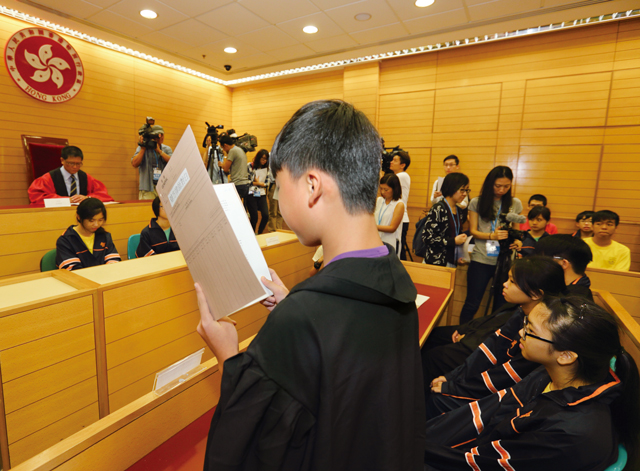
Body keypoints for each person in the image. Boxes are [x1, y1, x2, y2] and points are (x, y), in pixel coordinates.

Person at [196, 100, 425, 470]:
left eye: (280, 184)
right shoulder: (396, 281)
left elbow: (256, 445)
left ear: (312, 185)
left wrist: (227, 355)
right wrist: (296, 305)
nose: (278, 197)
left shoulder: (301, 319)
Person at [424, 296, 640, 471]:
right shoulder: (550, 374)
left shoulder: (570, 434)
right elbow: (498, 408)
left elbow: (485, 463)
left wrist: (419, 448)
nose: (521, 332)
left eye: (530, 331)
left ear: (566, 355)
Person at [423, 256, 565, 410]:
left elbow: (506, 377)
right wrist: (452, 377)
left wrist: (452, 387)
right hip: (494, 381)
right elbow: (488, 351)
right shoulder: (521, 312)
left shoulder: (543, 331)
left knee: (437, 398)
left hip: (506, 397)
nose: (505, 284)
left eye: (512, 281)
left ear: (536, 294)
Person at [459, 166, 523, 324]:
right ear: (490, 184)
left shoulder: (514, 203)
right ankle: (461, 333)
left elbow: (517, 232)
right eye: (498, 186)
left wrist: (517, 242)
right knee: (472, 303)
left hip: (505, 261)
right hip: (481, 259)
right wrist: (491, 236)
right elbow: (473, 231)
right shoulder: (477, 202)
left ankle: (492, 336)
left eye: (506, 186)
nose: (502, 190)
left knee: (501, 306)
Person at [28, 145, 114, 205]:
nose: (75, 167)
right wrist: (67, 200)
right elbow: (37, 198)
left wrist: (87, 198)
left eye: (78, 164)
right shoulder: (47, 179)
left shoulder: (87, 178)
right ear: (62, 160)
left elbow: (103, 195)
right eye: (71, 163)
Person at [55, 198, 120, 270]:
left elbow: (113, 259)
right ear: (79, 217)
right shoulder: (66, 240)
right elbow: (73, 269)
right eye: (91, 220)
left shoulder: (104, 235)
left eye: (100, 220)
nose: (96, 224)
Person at [421, 172, 469, 267]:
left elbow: (456, 235)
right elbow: (427, 237)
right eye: (462, 190)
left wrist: (459, 255)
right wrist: (453, 241)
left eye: (467, 190)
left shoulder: (459, 210)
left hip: (452, 261)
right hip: (436, 262)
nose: (465, 194)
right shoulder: (438, 208)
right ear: (451, 188)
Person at [131, 125, 173, 200]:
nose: (161, 137)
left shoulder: (166, 149)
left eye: (162, 134)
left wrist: (159, 151)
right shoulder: (143, 148)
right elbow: (134, 163)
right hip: (147, 189)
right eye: (159, 135)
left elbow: (173, 162)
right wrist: (143, 149)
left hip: (163, 189)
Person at [375, 173, 404, 257]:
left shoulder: (399, 204)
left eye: (386, 189)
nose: (383, 192)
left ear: (395, 189)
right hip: (377, 241)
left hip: (390, 242)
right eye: (381, 188)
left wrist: (373, 227)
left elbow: (392, 228)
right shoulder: (379, 200)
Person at [389, 151, 411, 260]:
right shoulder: (397, 176)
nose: (391, 162)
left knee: (398, 249)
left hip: (401, 218)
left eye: (395, 160)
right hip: (396, 216)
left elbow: (383, 183)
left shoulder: (402, 175)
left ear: (402, 165)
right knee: (396, 248)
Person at [219, 134, 251, 202]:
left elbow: (225, 169)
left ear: (225, 145)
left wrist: (221, 165)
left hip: (237, 184)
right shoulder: (240, 149)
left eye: (223, 148)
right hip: (245, 184)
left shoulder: (232, 151)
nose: (223, 150)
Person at [246, 150, 270, 234]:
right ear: (258, 157)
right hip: (251, 193)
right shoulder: (250, 165)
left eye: (266, 159)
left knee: (266, 215)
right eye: (263, 158)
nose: (264, 161)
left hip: (261, 193)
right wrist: (257, 183)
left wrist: (261, 184)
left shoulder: (266, 168)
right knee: (254, 217)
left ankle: (259, 233)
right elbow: (247, 181)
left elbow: (267, 183)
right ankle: (251, 234)